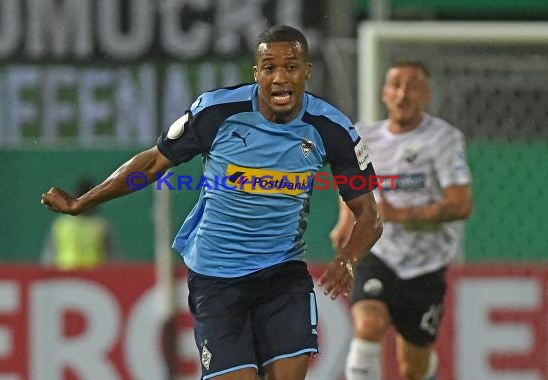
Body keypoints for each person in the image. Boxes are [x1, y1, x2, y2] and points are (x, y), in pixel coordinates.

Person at [41, 25, 382, 380]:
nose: (280, 78)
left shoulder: (332, 129)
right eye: (269, 68)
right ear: (256, 73)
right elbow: (153, 163)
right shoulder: (217, 112)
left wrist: (347, 259)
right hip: (217, 278)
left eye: (291, 67)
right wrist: (83, 201)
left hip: (283, 274)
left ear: (307, 71)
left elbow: (369, 215)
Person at [330, 60, 473, 380]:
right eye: (396, 85)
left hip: (425, 264)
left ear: (427, 94)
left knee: (414, 367)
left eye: (413, 86)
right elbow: (350, 185)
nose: (403, 93)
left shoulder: (444, 139)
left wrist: (401, 214)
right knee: (368, 326)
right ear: (384, 93)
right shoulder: (362, 136)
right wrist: (344, 221)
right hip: (377, 254)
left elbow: (461, 205)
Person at [41, 178, 119, 270]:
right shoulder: (101, 225)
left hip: (67, 275)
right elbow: (113, 257)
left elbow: (49, 256)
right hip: (93, 276)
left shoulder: (62, 224)